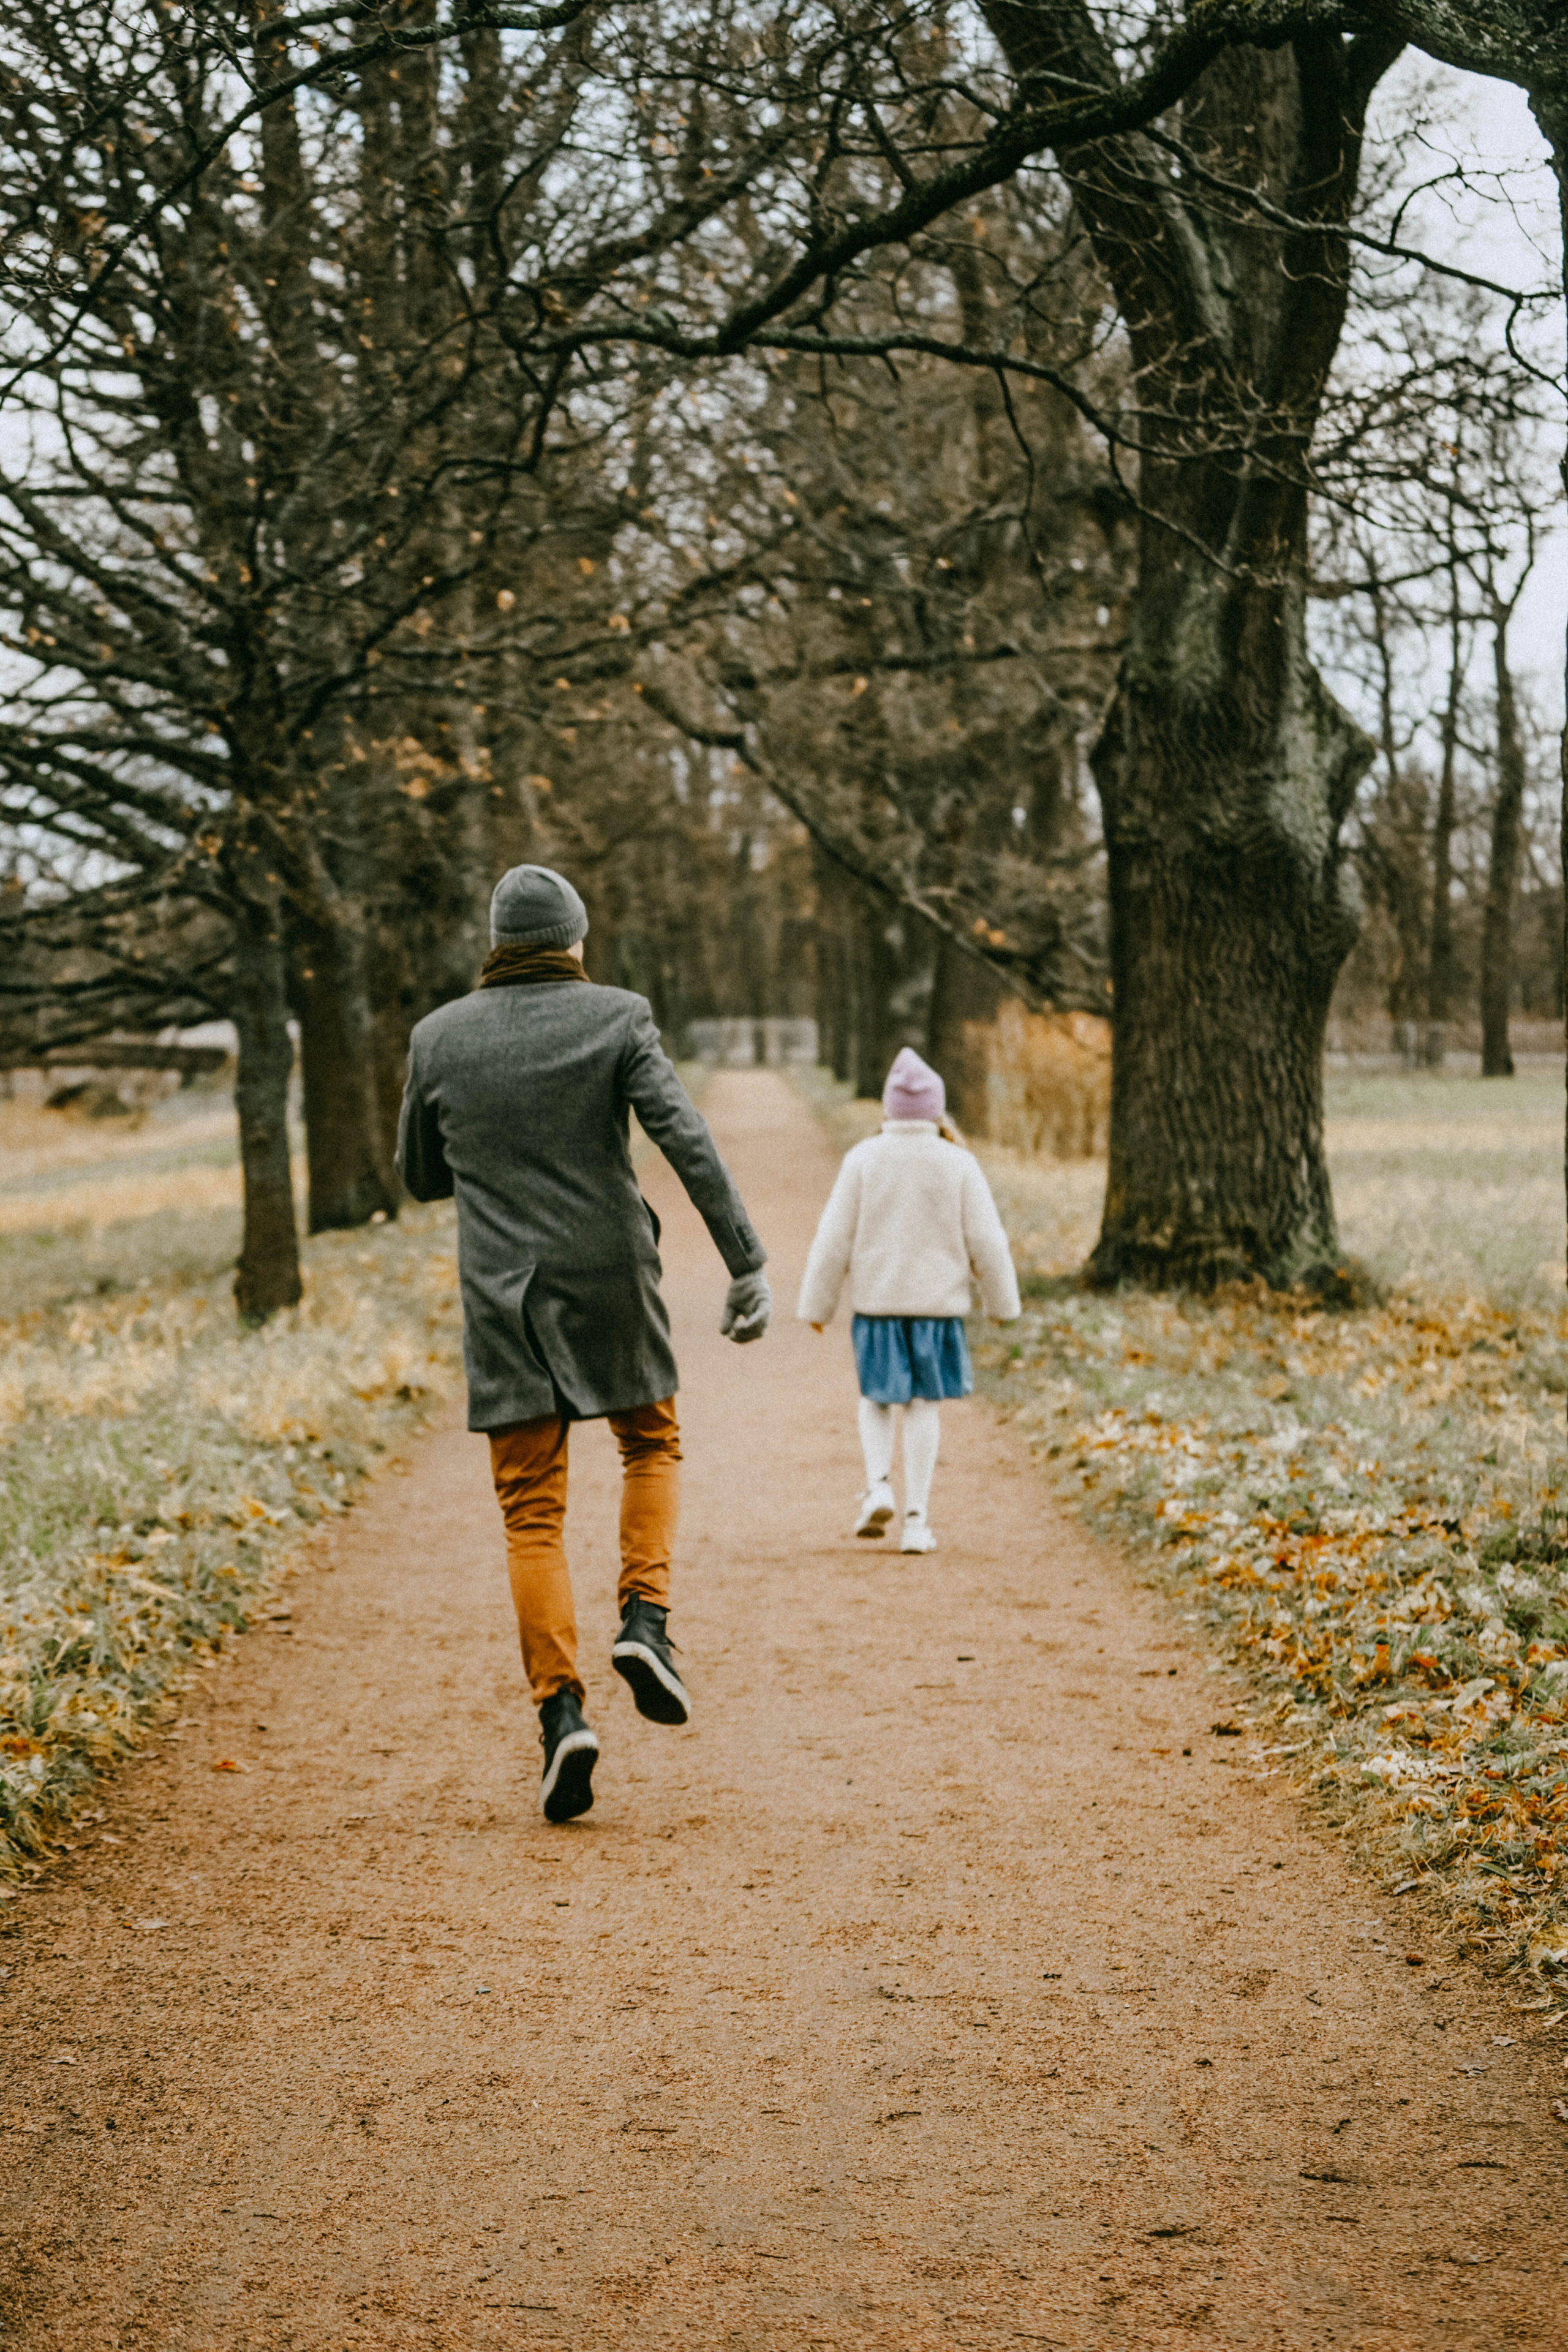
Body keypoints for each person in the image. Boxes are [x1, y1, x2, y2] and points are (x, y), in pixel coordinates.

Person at [396, 864, 771, 1823]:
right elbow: (685, 1138)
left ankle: (562, 1716)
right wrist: (745, 1260)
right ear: (574, 938)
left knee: (531, 1514)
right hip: (610, 1276)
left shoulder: (437, 1038)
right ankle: (645, 1620)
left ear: (494, 940)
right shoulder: (617, 1017)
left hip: (502, 1299)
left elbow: (422, 1178)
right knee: (650, 1443)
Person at [797, 1046, 1018, 1555]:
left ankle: (878, 1486)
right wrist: (1002, 1305)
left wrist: (817, 1306)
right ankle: (917, 1521)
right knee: (923, 1406)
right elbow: (988, 1240)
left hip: (878, 1306)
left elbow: (833, 1238)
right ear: (938, 1110)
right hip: (938, 1312)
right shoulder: (959, 1163)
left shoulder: (863, 1159)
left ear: (888, 1109)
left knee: (876, 1397)